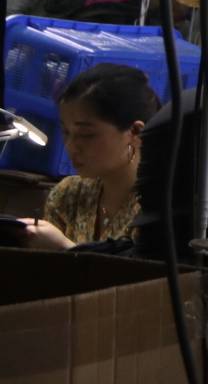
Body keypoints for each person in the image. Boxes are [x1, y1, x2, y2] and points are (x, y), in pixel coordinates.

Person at [21, 64, 158, 250]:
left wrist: (67, 250)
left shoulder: (159, 207)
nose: (71, 147)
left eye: (86, 135)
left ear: (135, 132)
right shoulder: (69, 194)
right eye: (66, 132)